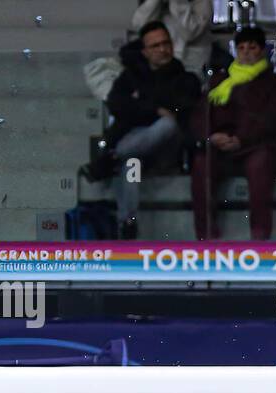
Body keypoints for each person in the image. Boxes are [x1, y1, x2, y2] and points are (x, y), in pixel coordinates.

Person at [82, 20, 201, 238]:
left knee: (167, 125)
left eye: (166, 43)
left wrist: (138, 106)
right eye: (155, 46)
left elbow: (179, 111)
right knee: (131, 163)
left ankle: (111, 156)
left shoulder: (186, 79)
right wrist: (154, 109)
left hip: (167, 147)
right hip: (136, 144)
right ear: (145, 51)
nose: (163, 49)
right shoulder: (131, 77)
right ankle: (128, 221)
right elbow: (117, 104)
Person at [190, 26, 276, 240]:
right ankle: (206, 237)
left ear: (261, 51)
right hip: (221, 147)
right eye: (241, 47)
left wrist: (242, 139)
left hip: (258, 146)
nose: (246, 52)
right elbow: (200, 115)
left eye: (252, 47)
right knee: (202, 165)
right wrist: (211, 137)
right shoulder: (219, 82)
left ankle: (259, 238)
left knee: (260, 166)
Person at [130, 0, 214, 76]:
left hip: (191, 62)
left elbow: (190, 32)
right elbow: (140, 26)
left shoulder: (203, 2)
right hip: (159, 62)